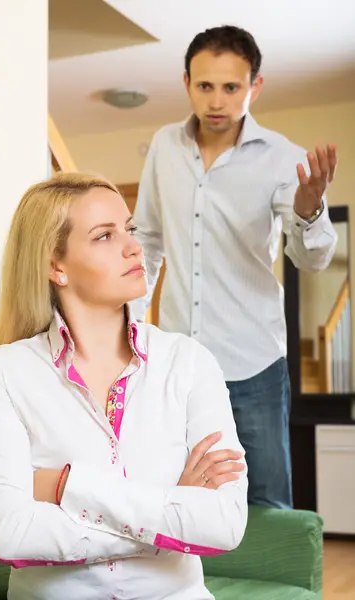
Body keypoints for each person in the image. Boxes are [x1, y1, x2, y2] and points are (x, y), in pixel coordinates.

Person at [0, 172, 247, 600]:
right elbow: (10, 534)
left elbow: (224, 524)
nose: (134, 246)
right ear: (54, 265)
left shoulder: (189, 362)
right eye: (104, 236)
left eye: (130, 229)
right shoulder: (3, 373)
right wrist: (172, 509)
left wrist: (67, 486)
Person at [132, 25, 338, 510]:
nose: (217, 101)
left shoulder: (283, 160)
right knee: (182, 497)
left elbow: (312, 258)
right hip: (178, 362)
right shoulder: (164, 146)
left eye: (232, 87)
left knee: (267, 502)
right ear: (187, 83)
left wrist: (308, 210)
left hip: (254, 364)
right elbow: (148, 239)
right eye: (205, 86)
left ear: (255, 87)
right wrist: (132, 319)